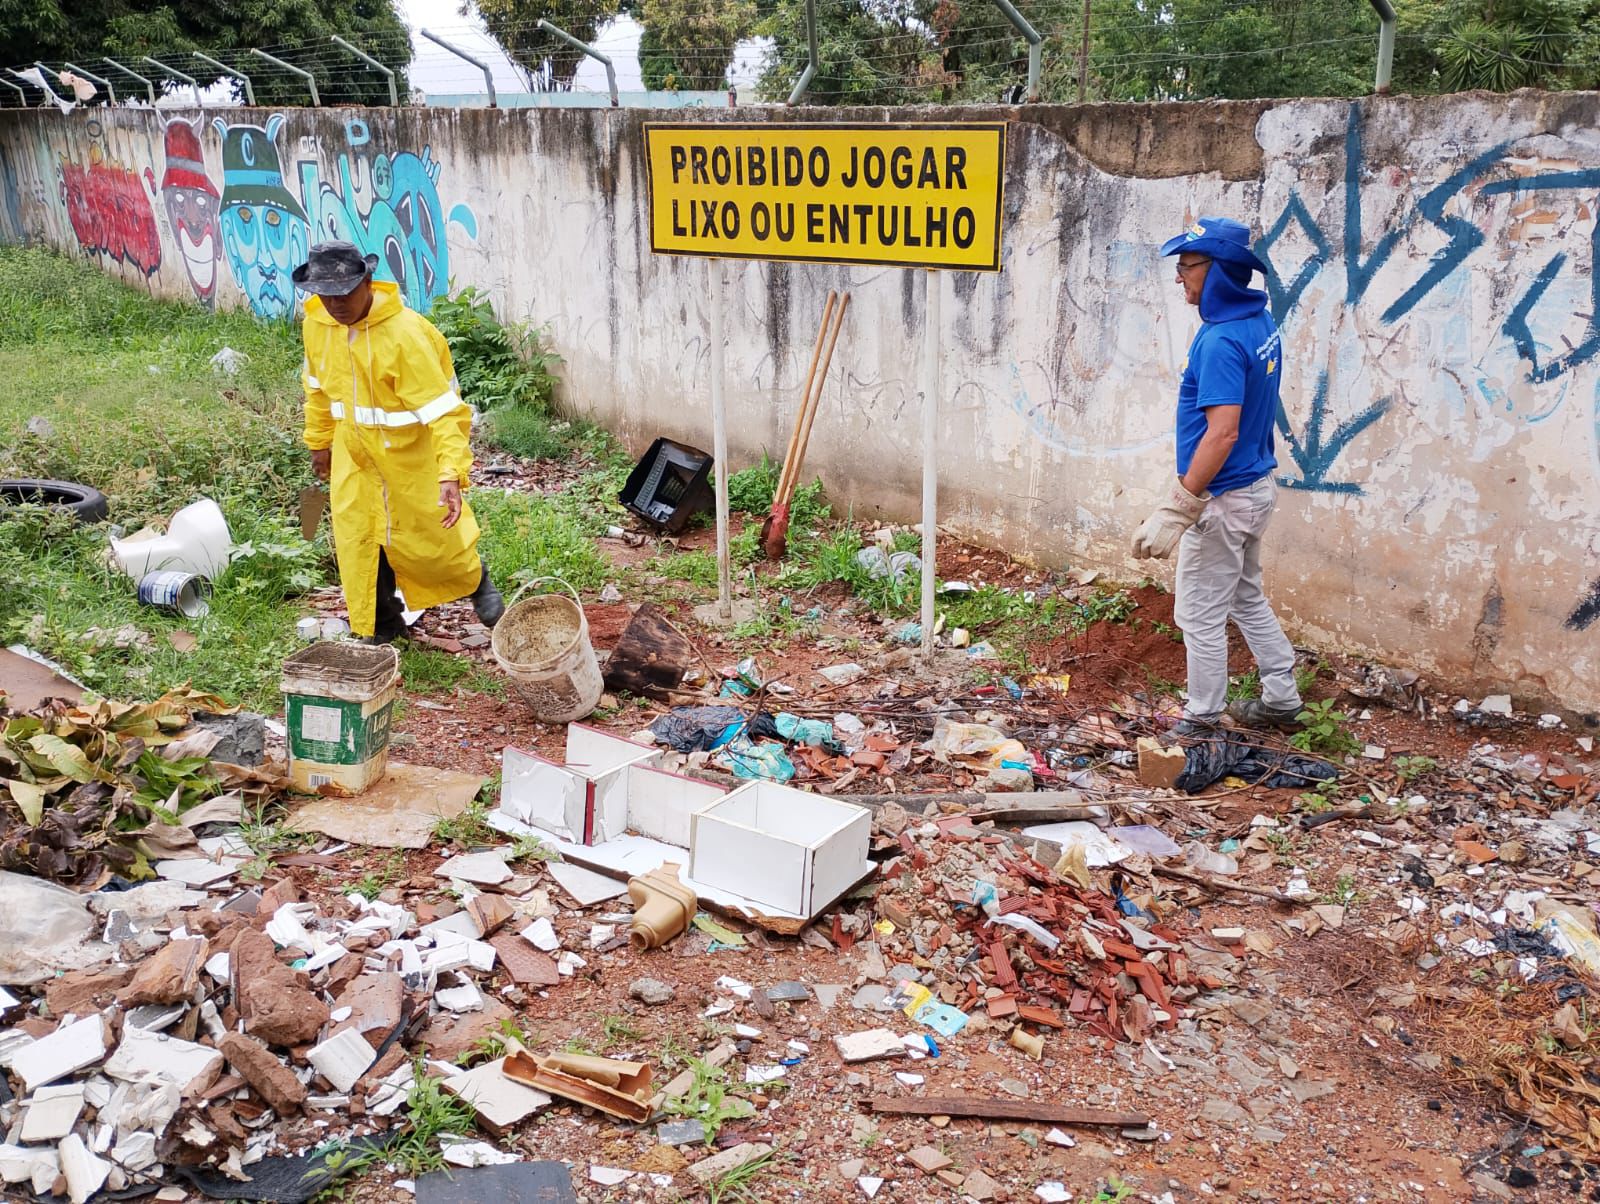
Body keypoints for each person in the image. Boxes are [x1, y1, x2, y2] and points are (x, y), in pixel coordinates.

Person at [1130, 217, 1301, 737]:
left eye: (1188, 267)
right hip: (1254, 489)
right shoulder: (1257, 321)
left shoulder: (1222, 341)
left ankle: (1202, 719)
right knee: (1245, 595)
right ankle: (1281, 697)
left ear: (1220, 271)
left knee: (1199, 614)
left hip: (1222, 498)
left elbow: (1222, 433)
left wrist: (1181, 505)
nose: (1179, 277)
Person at [294, 241, 503, 643]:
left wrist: (450, 472)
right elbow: (317, 389)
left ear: (368, 281)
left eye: (344, 293)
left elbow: (445, 412)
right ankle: (382, 626)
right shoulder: (317, 325)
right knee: (359, 540)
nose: (335, 304)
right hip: (354, 456)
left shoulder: (405, 335)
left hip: (409, 457)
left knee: (432, 532)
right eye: (325, 294)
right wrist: (319, 442)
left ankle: (477, 581)